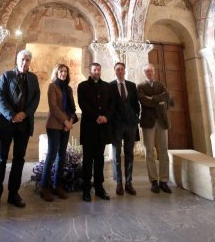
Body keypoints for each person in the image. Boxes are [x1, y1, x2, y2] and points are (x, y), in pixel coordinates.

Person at [0, 49, 40, 211]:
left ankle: (13, 194)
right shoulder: (6, 76)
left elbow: (35, 99)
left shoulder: (33, 78)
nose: (25, 63)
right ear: (17, 60)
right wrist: (12, 115)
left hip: (23, 124)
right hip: (5, 123)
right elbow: (0, 97)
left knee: (19, 159)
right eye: (22, 60)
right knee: (1, 160)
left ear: (30, 62)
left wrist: (25, 113)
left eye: (28, 60)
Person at [40, 64, 78, 202]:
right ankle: (44, 187)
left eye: (65, 71)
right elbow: (54, 108)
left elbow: (73, 107)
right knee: (51, 155)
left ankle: (57, 185)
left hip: (66, 126)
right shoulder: (52, 87)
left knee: (62, 156)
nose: (63, 73)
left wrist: (71, 120)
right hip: (54, 125)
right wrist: (66, 121)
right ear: (56, 72)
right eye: (61, 71)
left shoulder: (68, 88)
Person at [77, 62, 114, 202]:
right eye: (94, 70)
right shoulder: (82, 86)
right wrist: (96, 116)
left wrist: (106, 117)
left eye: (99, 69)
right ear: (90, 71)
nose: (97, 72)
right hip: (89, 128)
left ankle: (99, 188)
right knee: (87, 160)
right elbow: (82, 104)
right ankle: (86, 189)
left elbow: (112, 104)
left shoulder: (107, 86)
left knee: (99, 160)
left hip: (103, 129)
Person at [137, 63, 172, 194]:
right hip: (148, 122)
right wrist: (158, 100)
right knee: (150, 151)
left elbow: (167, 96)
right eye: (147, 71)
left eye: (151, 71)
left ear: (154, 72)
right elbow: (143, 101)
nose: (149, 73)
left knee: (164, 151)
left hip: (162, 121)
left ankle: (164, 180)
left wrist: (153, 99)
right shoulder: (140, 86)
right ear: (144, 73)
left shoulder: (161, 85)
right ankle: (153, 181)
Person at [109, 62, 140, 196]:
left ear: (125, 71)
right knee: (116, 155)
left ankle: (128, 183)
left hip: (130, 125)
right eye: (117, 69)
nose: (120, 71)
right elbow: (108, 105)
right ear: (114, 71)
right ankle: (119, 183)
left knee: (129, 154)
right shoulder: (109, 86)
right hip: (116, 126)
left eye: (122, 69)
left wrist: (135, 116)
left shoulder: (132, 85)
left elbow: (136, 104)